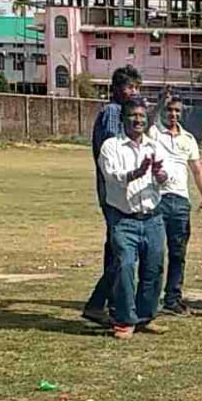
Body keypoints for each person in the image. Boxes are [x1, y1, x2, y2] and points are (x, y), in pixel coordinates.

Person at [98, 98, 170, 340]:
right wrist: (136, 173)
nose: (138, 120)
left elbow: (165, 179)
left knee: (154, 269)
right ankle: (124, 320)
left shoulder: (154, 145)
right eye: (133, 116)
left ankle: (145, 317)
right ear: (123, 119)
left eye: (142, 116)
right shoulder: (111, 146)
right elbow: (112, 177)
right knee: (125, 266)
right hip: (124, 219)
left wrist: (160, 175)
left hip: (152, 217)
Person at [82, 66, 142, 325]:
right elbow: (113, 151)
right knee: (121, 249)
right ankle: (102, 303)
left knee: (118, 247)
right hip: (114, 189)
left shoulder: (121, 112)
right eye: (129, 87)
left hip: (122, 189)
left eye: (136, 88)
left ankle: (114, 301)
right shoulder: (112, 112)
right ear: (116, 89)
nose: (134, 92)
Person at [148, 95, 202, 315]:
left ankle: (172, 299)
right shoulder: (153, 133)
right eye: (169, 110)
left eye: (177, 111)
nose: (173, 115)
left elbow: (197, 169)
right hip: (156, 199)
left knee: (178, 253)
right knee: (154, 252)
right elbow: (146, 121)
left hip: (181, 201)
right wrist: (158, 103)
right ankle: (149, 300)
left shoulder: (188, 139)